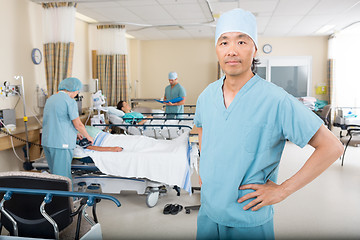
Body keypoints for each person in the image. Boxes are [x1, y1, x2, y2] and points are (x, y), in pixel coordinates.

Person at [194, 8, 344, 240]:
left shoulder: (276, 100)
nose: (231, 50)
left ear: (254, 48)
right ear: (216, 49)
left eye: (241, 41)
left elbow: (332, 147)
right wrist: (205, 169)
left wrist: (283, 190)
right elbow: (203, 128)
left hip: (248, 217)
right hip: (208, 213)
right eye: (224, 42)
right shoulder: (206, 96)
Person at [42, 77, 94, 180]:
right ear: (74, 90)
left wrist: (75, 133)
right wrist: (88, 137)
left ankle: (55, 196)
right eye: (77, 91)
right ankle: (66, 197)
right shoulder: (70, 102)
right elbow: (78, 124)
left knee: (54, 176)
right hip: (61, 144)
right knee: (62, 177)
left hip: (47, 142)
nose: (77, 93)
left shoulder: (50, 99)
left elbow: (58, 120)